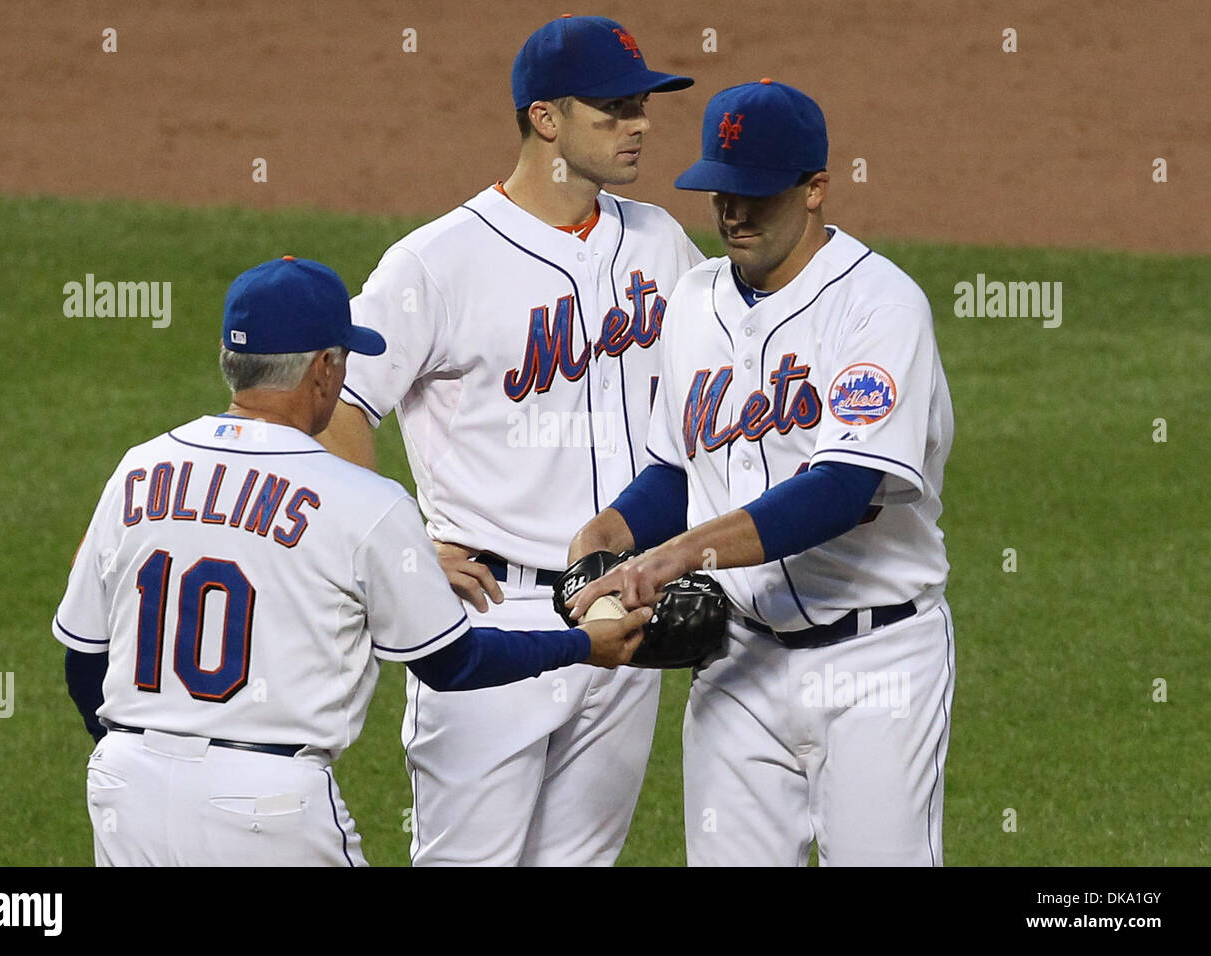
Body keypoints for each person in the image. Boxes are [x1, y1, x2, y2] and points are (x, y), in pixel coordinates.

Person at [52, 256, 650, 867]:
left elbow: (83, 659)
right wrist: (583, 646)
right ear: (323, 368)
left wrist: (140, 757)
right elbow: (454, 664)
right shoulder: (362, 501)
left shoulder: (139, 468)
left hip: (127, 786)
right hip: (268, 805)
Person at [317, 15, 701, 866]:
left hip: (624, 602)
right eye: (612, 108)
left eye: (641, 104)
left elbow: (701, 414)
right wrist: (405, 551)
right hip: (491, 618)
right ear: (546, 118)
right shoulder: (435, 262)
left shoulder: (661, 243)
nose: (637, 124)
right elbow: (340, 404)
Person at [567, 79, 956, 866]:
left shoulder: (879, 306)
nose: (734, 213)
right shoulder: (693, 299)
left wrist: (677, 555)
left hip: (874, 666)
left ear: (815, 190)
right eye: (721, 192)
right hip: (737, 663)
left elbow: (843, 490)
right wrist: (612, 529)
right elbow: (680, 470)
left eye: (758, 195)